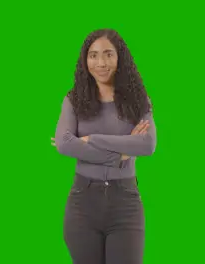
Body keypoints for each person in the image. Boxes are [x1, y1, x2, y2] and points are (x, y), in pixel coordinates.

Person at [50, 28, 157, 264]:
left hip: (125, 204)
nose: (101, 62)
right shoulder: (74, 100)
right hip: (82, 204)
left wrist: (92, 140)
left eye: (108, 54)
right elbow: (64, 144)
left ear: (120, 58)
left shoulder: (138, 99)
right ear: (85, 60)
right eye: (93, 55)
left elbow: (148, 144)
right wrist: (121, 154)